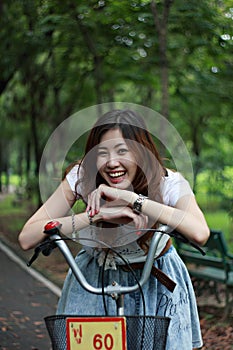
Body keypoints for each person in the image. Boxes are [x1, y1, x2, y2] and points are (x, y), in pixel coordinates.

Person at [18, 109, 209, 350]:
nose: (111, 163)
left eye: (122, 151)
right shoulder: (82, 176)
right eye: (102, 153)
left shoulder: (168, 181)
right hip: (94, 278)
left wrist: (131, 199)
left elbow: (200, 232)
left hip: (156, 281)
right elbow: (28, 237)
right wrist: (94, 215)